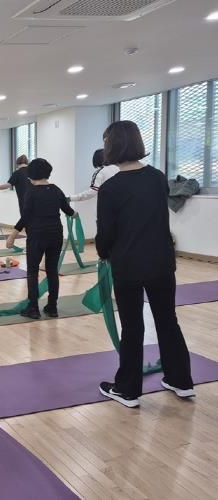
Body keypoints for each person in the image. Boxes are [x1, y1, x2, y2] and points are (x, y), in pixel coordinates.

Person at [96, 120, 194, 408]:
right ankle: (181, 380)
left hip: (128, 265)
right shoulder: (157, 177)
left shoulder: (111, 188)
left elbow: (106, 232)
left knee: (132, 326)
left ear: (112, 146)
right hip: (161, 262)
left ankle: (127, 390)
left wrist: (102, 252)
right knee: (168, 320)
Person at [6, 159, 75, 320]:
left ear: (31, 174)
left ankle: (33, 308)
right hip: (56, 235)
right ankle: (52, 307)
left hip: (37, 235)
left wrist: (12, 235)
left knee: (33, 271)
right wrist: (75, 214)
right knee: (52, 271)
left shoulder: (31, 192)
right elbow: (68, 210)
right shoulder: (56, 190)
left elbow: (25, 217)